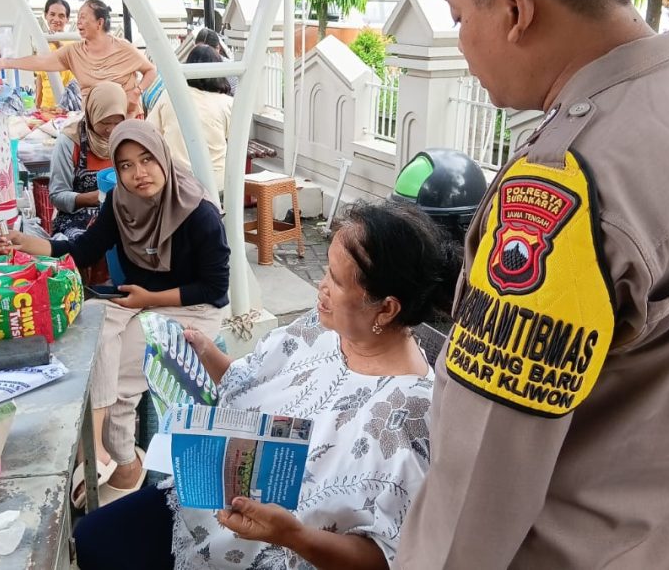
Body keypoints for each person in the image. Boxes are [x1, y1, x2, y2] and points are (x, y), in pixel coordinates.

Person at [394, 0, 669, 568]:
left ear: (513, 9)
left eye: (458, 16)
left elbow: (480, 478)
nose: (459, 42)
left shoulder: (564, 182)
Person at [73, 200, 460, 570]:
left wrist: (294, 536)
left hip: (283, 551)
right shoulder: (321, 328)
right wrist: (206, 355)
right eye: (325, 270)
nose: (321, 287)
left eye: (336, 281)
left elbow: (385, 557)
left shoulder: (408, 414)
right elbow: (254, 382)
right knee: (92, 537)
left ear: (387, 307)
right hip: (212, 499)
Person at [0, 120, 228, 506]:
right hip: (136, 300)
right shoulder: (120, 203)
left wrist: (149, 300)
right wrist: (24, 243)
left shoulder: (198, 212)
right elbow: (83, 250)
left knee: (117, 372)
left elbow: (215, 288)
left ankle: (117, 459)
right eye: (126, 165)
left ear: (164, 158)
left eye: (147, 159)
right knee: (97, 326)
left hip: (192, 306)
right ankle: (109, 453)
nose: (139, 173)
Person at [0, 0, 156, 117]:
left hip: (127, 121)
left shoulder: (123, 47)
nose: (78, 23)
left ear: (99, 23)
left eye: (83, 18)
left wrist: (137, 91)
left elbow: (150, 70)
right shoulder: (74, 52)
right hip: (94, 124)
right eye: (78, 18)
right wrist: (5, 63)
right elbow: (41, 61)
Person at [147, 45, 233, 192]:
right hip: (217, 184)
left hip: (177, 181)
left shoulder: (170, 96)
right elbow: (234, 142)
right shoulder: (227, 104)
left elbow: (150, 131)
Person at [48, 81, 126, 240]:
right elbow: (57, 195)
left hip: (121, 214)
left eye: (117, 123)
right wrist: (95, 198)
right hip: (78, 219)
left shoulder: (126, 139)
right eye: (104, 122)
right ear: (91, 114)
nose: (111, 130)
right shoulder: (70, 141)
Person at [34, 0, 77, 109]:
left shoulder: (73, 42)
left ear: (67, 19)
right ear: (46, 15)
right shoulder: (43, 46)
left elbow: (70, 59)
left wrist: (57, 43)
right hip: (46, 109)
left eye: (61, 16)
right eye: (52, 14)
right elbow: (40, 82)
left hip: (67, 109)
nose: (56, 19)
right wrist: (37, 109)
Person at [194, 27, 238, 95]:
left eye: (206, 51)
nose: (200, 55)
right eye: (197, 50)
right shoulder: (194, 65)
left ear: (217, 48)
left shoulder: (230, 70)